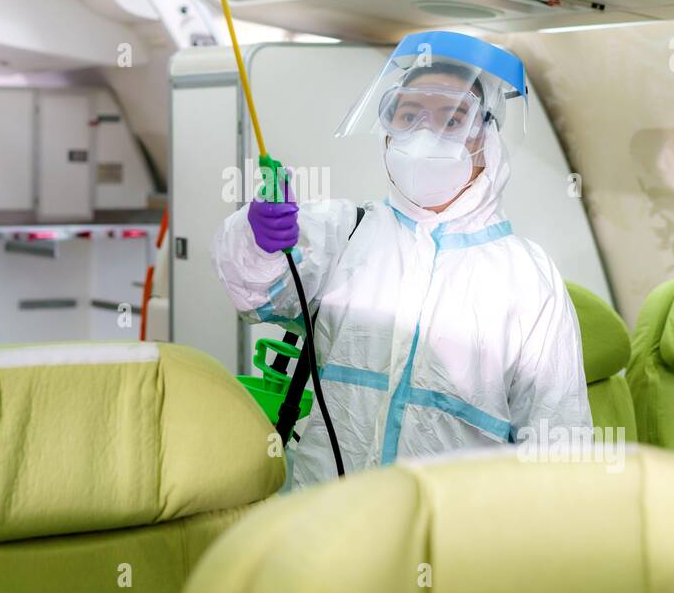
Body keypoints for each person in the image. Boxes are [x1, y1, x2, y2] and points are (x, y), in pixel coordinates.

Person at [211, 31, 589, 488]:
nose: (424, 135)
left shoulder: (526, 278)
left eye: (451, 120)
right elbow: (257, 298)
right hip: (326, 516)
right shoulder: (345, 232)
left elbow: (558, 438)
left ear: (485, 137)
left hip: (454, 535)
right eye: (408, 116)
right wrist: (258, 239)